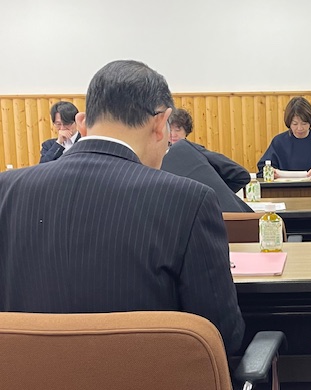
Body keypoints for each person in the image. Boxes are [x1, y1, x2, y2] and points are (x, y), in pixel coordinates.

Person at [0, 60, 245, 354]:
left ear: (82, 122)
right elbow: (221, 335)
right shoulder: (189, 200)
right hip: (150, 382)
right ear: (161, 123)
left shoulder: (6, 190)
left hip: (27, 382)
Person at [257, 96, 311, 179]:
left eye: (304, 123)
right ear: (289, 123)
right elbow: (263, 168)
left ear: (310, 122)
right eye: (295, 124)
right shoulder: (279, 142)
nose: (300, 128)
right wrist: (271, 172)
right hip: (284, 187)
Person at [167, 108, 250, 193]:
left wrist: (217, 196)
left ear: (186, 130)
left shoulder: (198, 153)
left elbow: (241, 175)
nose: (173, 134)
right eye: (169, 129)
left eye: (178, 129)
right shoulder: (160, 155)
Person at [162, 138, 254, 212]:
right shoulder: (185, 147)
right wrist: (220, 192)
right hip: (244, 221)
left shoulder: (154, 178)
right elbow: (241, 175)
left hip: (201, 227)